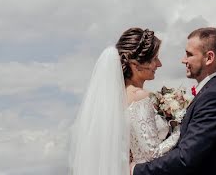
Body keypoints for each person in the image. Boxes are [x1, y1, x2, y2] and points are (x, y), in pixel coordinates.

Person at [69, 27, 180, 175]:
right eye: (154, 59)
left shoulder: (116, 99)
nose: (159, 64)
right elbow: (152, 154)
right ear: (135, 65)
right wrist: (180, 128)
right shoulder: (139, 96)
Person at [131, 27, 216, 175]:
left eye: (189, 54)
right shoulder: (209, 93)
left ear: (209, 58)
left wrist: (137, 170)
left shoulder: (215, 97)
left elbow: (186, 157)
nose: (183, 60)